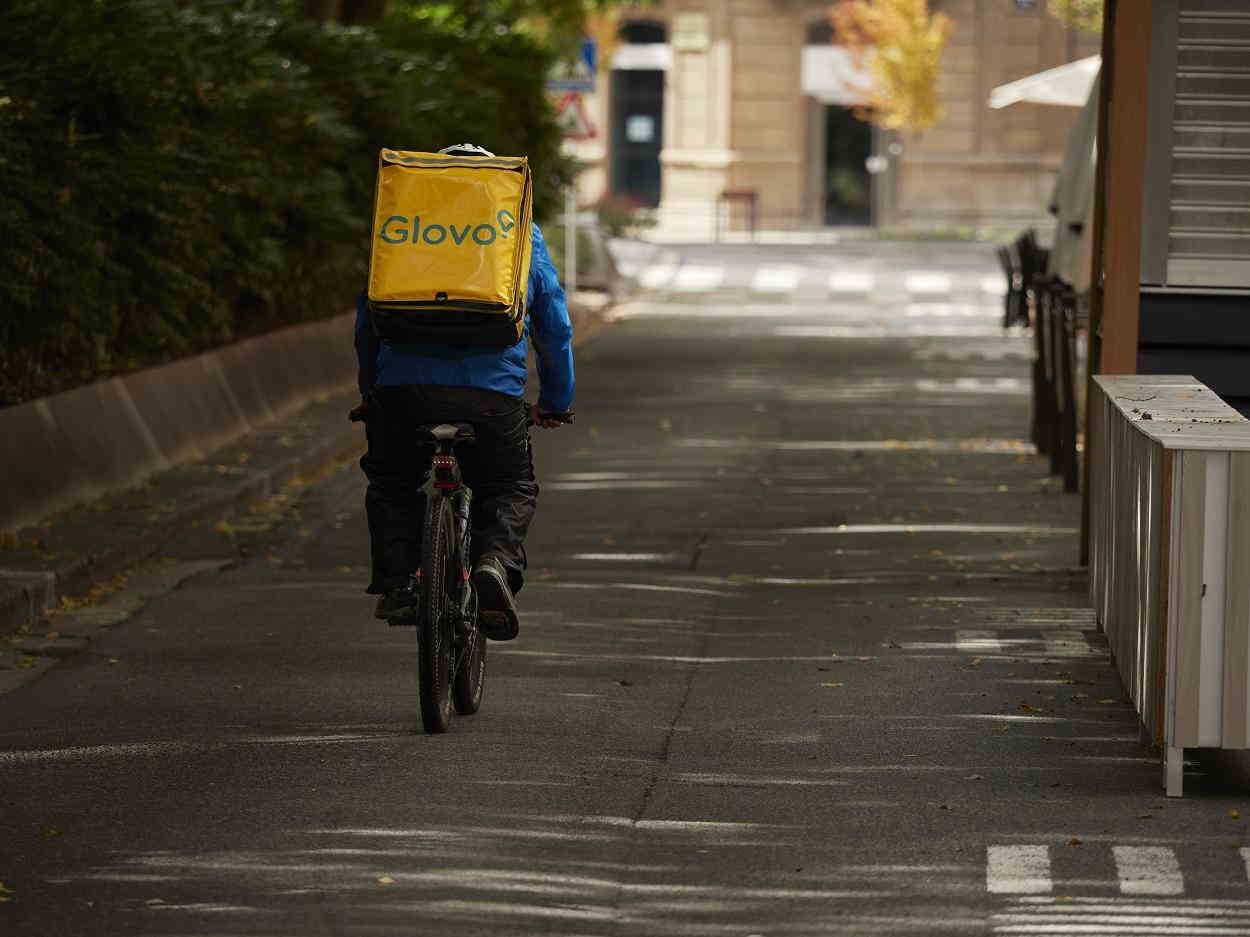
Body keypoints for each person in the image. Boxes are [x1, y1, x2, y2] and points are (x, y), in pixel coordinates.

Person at [353, 143, 574, 641]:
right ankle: (494, 563)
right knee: (508, 487)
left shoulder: (402, 232)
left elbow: (367, 323)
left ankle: (398, 584)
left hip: (402, 395)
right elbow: (554, 327)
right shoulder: (517, 233)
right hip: (491, 396)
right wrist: (556, 402)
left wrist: (371, 391)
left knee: (392, 484)